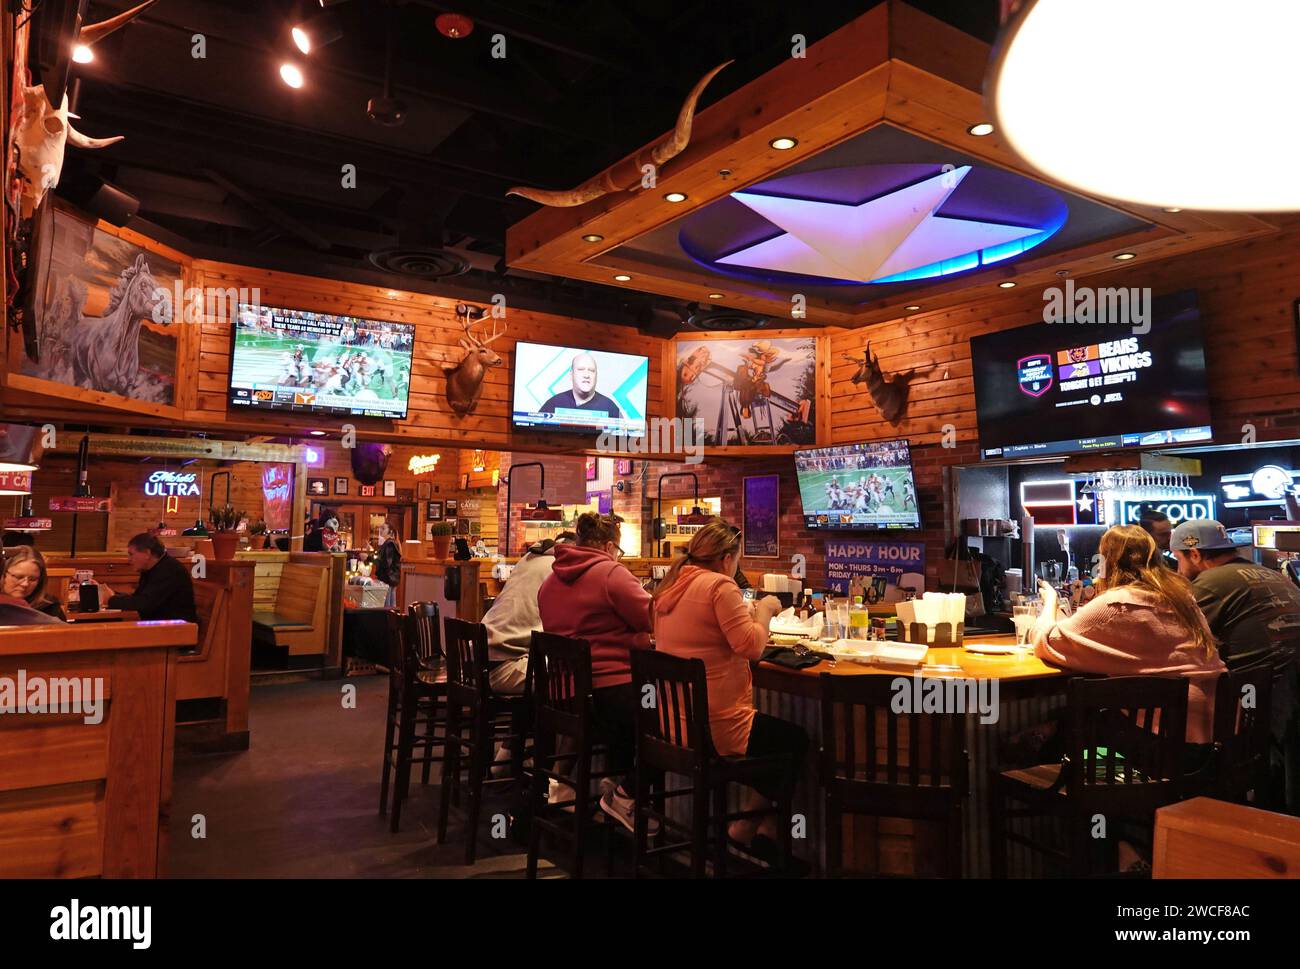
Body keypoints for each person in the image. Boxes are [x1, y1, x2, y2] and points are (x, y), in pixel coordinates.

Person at [653, 521, 808, 863]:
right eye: (736, 560)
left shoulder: (671, 585)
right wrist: (766, 610)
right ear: (726, 559)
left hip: (675, 725)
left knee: (782, 741)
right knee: (796, 741)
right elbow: (751, 646)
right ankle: (750, 829)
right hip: (717, 727)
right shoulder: (720, 587)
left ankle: (759, 831)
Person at [1031, 524, 1225, 749]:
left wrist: (1051, 601)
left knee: (1069, 722)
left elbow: (1045, 641)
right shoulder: (1182, 599)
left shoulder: (1115, 604)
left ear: (1106, 561)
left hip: (1166, 745)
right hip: (1220, 736)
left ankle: (1043, 775)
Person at [1171, 518, 1300, 814]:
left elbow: (1172, 635)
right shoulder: (1268, 573)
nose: (1178, 569)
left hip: (1262, 708)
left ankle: (1195, 817)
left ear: (1195, 554)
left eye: (1178, 559)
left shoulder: (1210, 584)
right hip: (1287, 698)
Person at [537, 512, 652, 831]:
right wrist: (638, 638)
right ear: (607, 545)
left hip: (563, 695)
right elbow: (653, 618)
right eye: (619, 550)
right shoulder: (611, 574)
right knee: (667, 718)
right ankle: (623, 796)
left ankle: (611, 786)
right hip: (606, 696)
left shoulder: (550, 581)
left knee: (638, 705)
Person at [483, 532, 575, 695]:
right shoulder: (561, 567)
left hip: (479, 659)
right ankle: (544, 721)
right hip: (503, 666)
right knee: (575, 678)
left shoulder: (528, 558)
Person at [100, 533, 197, 623]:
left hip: (178, 629)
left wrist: (111, 599)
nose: (129, 560)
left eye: (131, 554)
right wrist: (113, 594)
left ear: (147, 553)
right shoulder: (152, 569)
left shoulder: (169, 570)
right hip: (163, 625)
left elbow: (144, 604)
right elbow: (139, 599)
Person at [538, 353, 622, 420]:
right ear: (571, 374)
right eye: (581, 370)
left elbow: (623, 440)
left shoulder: (610, 408)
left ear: (596, 375)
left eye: (591, 371)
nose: (586, 375)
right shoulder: (554, 404)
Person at [1, 546, 65, 621]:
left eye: (33, 579)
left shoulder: (49, 607)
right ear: (2, 574)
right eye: (18, 577)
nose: (25, 584)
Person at [373, 522, 402, 609]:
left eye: (383, 528)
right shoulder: (392, 543)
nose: (380, 530)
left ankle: (388, 621)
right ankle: (393, 621)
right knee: (391, 605)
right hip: (392, 578)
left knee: (387, 606)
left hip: (388, 578)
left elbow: (386, 563)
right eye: (380, 528)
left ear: (391, 531)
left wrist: (369, 558)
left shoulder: (389, 544)